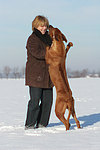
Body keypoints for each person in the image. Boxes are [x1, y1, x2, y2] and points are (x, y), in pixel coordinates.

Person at [25, 15, 53, 129]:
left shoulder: (49, 39)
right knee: (35, 101)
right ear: (36, 26)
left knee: (48, 101)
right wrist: (52, 53)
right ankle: (30, 125)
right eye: (42, 26)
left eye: (45, 25)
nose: (44, 28)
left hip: (48, 75)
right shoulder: (32, 39)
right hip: (35, 75)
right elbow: (38, 53)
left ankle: (42, 124)